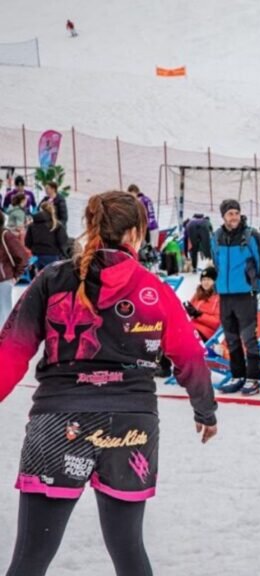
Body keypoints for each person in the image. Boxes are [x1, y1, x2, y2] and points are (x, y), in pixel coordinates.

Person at [0, 190, 217, 576]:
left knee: (30, 559)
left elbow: (12, 350)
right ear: (135, 232)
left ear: (90, 226)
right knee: (129, 550)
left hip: (57, 424)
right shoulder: (154, 289)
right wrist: (205, 410)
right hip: (131, 426)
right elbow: (190, 355)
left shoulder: (53, 279)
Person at [212, 199, 260, 395]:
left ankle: (253, 379)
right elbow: (216, 262)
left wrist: (256, 286)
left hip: (245, 295)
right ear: (223, 216)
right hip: (226, 295)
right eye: (230, 213)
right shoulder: (217, 236)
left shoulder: (251, 235)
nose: (234, 217)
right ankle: (238, 375)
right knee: (231, 338)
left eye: (236, 213)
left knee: (248, 338)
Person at [159, 266, 222, 377]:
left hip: (207, 333)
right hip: (191, 327)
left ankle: (185, 368)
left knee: (180, 336)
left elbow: (217, 322)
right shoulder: (198, 294)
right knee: (168, 332)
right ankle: (164, 366)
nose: (205, 282)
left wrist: (198, 314)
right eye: (203, 280)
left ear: (215, 281)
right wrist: (186, 310)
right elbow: (191, 312)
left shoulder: (219, 298)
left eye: (209, 279)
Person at [0, 211, 29, 326]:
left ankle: (4, 339)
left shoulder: (5, 235)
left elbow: (22, 256)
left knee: (4, 312)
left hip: (3, 279)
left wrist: (16, 275)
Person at [25, 202, 69, 270]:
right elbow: (62, 242)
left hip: (37, 257)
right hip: (53, 256)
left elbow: (27, 243)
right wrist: (64, 255)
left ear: (40, 210)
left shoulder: (32, 225)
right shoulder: (57, 225)